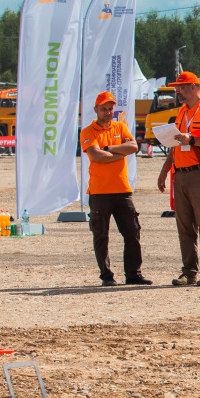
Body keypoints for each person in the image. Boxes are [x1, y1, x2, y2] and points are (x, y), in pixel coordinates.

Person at [156, 71, 200, 287]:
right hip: (181, 175)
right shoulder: (181, 113)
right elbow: (176, 145)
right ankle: (189, 272)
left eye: (182, 87)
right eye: (177, 88)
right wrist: (164, 170)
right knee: (184, 226)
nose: (178, 92)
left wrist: (193, 139)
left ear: (195, 87)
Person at [81, 91, 151, 287]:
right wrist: (120, 152)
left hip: (122, 189)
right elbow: (96, 156)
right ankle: (106, 275)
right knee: (101, 235)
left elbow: (134, 147)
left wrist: (110, 149)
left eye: (110, 108)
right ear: (96, 110)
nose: (107, 112)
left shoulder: (121, 127)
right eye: (103, 109)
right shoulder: (88, 131)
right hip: (99, 191)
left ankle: (133, 274)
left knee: (133, 232)